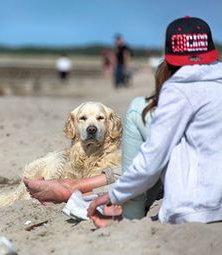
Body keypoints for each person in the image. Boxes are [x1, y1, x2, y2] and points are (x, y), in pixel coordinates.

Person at [88, 16, 222, 227]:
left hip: (194, 209)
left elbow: (152, 160)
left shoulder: (178, 89)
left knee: (137, 111)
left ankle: (129, 214)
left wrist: (113, 194)